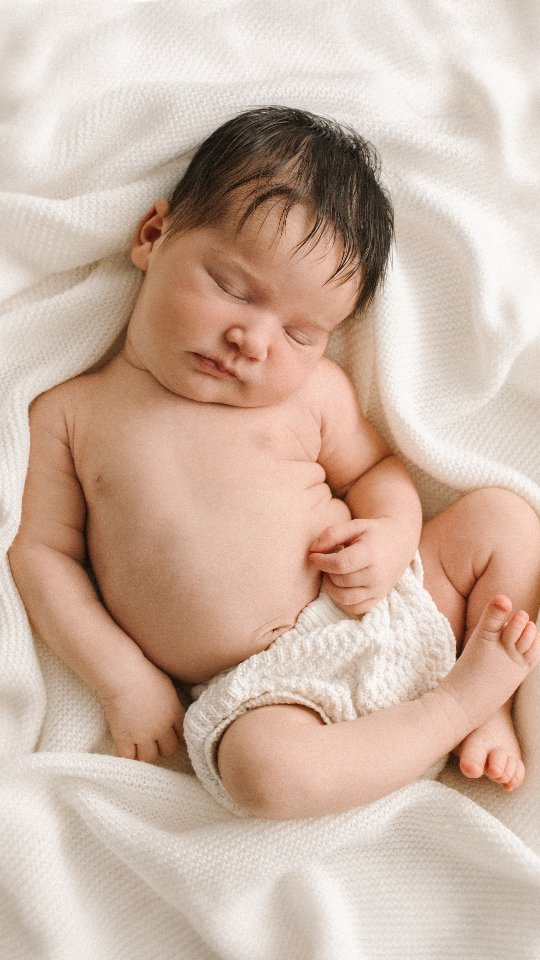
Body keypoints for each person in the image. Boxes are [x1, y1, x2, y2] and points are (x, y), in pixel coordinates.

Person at [8, 106, 540, 820]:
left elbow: (378, 471)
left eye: (299, 331)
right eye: (231, 287)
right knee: (265, 776)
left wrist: (391, 536)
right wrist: (121, 678)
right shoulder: (71, 415)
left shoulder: (313, 394)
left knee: (504, 516)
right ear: (153, 235)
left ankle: (485, 707)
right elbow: (44, 556)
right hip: (268, 692)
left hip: (395, 605)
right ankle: (458, 703)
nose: (251, 340)